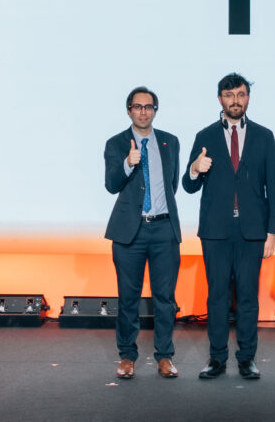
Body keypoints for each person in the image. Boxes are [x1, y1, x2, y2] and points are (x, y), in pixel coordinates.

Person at [183, 73, 275, 381]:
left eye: (240, 94)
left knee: (249, 297)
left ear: (248, 98)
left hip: (252, 231)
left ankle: (247, 358)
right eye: (229, 95)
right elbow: (188, 185)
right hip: (215, 231)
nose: (235, 100)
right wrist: (195, 169)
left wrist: (271, 231)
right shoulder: (205, 136)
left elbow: (274, 186)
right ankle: (216, 358)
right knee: (217, 297)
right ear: (220, 99)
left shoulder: (264, 136)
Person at [103, 86, 182, 380]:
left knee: (165, 299)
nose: (143, 112)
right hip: (129, 232)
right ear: (129, 111)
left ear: (155, 111)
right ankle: (127, 356)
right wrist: (128, 163)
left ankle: (164, 356)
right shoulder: (116, 143)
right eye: (137, 106)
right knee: (128, 299)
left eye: (149, 107)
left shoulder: (170, 142)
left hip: (164, 229)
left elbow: (171, 185)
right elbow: (111, 184)